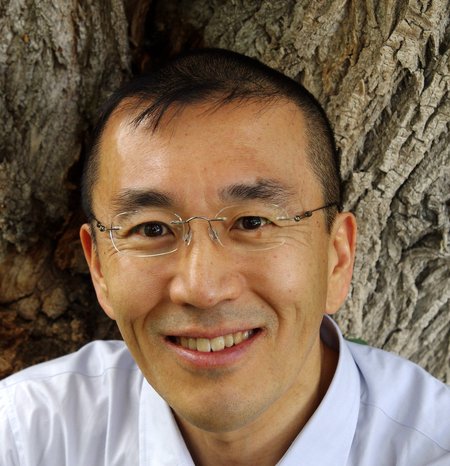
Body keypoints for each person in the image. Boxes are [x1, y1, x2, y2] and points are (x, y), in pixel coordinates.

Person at [0, 48, 449, 466]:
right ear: (99, 268)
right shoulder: (30, 436)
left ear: (337, 258)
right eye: (152, 229)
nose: (203, 288)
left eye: (252, 223)